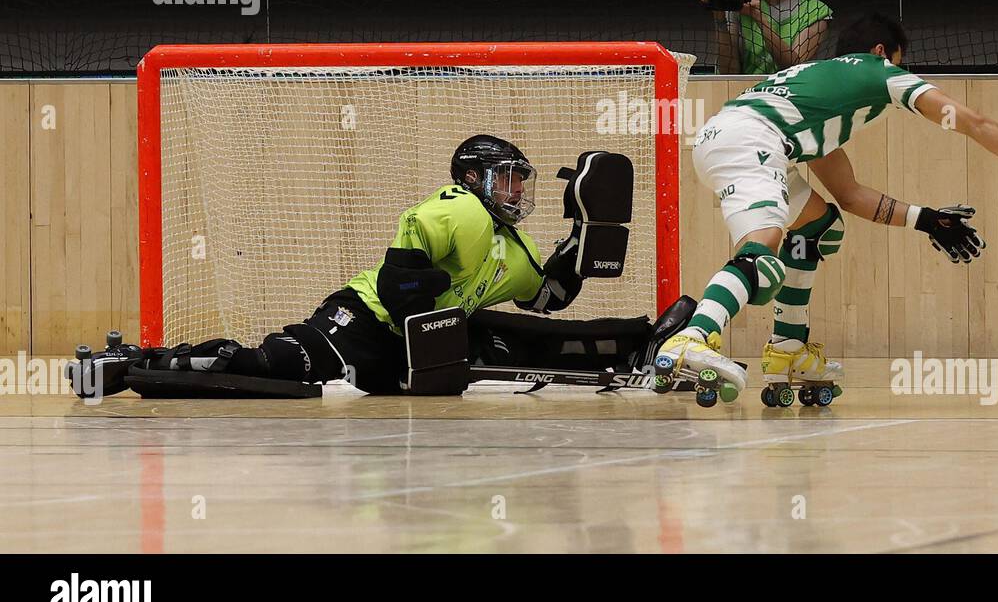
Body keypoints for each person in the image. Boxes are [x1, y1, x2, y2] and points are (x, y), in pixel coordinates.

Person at [658, 13, 998, 404]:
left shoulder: (817, 96)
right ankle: (694, 336)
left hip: (731, 137)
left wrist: (927, 220)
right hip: (752, 143)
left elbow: (850, 195)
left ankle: (788, 349)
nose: (902, 70)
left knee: (821, 226)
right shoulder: (879, 72)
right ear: (882, 52)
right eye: (901, 61)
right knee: (762, 251)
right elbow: (972, 121)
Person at [76, 136, 605, 397]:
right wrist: (433, 288)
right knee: (276, 366)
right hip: (361, 319)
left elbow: (549, 297)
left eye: (520, 179)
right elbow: (400, 286)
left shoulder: (514, 248)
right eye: (507, 177)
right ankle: (138, 364)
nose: (517, 190)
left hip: (400, 351)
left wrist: (582, 242)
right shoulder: (458, 208)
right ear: (473, 177)